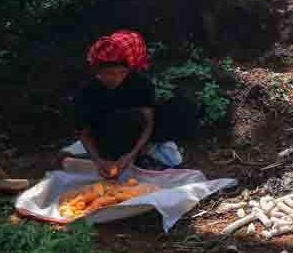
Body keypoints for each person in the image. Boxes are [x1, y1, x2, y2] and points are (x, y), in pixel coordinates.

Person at [75, 30, 200, 179]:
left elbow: (149, 122)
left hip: (137, 129)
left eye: (122, 73)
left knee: (181, 106)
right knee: (120, 119)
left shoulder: (140, 83)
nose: (116, 79)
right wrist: (98, 160)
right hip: (108, 134)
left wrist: (131, 155)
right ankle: (127, 154)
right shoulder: (88, 90)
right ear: (99, 71)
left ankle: (145, 151)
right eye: (110, 74)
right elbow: (84, 131)